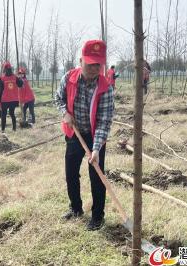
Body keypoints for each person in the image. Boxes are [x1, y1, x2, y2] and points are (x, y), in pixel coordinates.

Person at [55, 40, 114, 231]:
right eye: (90, 64)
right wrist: (65, 112)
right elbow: (58, 97)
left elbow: (104, 121)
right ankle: (76, 208)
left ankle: (97, 217)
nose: (94, 68)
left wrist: (96, 149)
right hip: (75, 133)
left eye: (98, 64)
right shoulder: (69, 78)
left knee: (96, 175)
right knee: (71, 172)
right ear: (81, 61)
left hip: (95, 135)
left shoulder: (106, 88)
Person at [0, 61, 23, 132]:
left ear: (4, 69)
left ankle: (2, 130)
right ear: (11, 68)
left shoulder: (2, 78)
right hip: (14, 100)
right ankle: (14, 129)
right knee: (12, 113)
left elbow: (0, 91)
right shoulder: (15, 77)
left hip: (5, 100)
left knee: (3, 115)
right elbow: (20, 85)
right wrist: (19, 78)